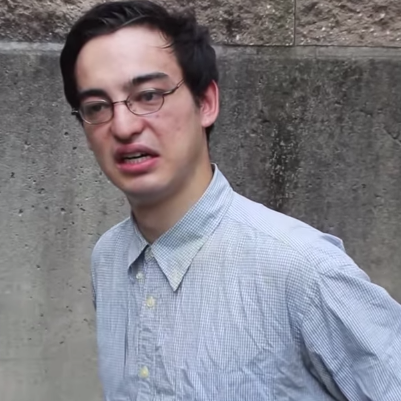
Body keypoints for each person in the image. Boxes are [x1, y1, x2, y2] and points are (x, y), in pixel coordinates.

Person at [59, 1, 401, 400]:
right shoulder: (108, 258)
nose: (123, 126)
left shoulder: (303, 270)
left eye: (149, 95)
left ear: (206, 103)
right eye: (97, 107)